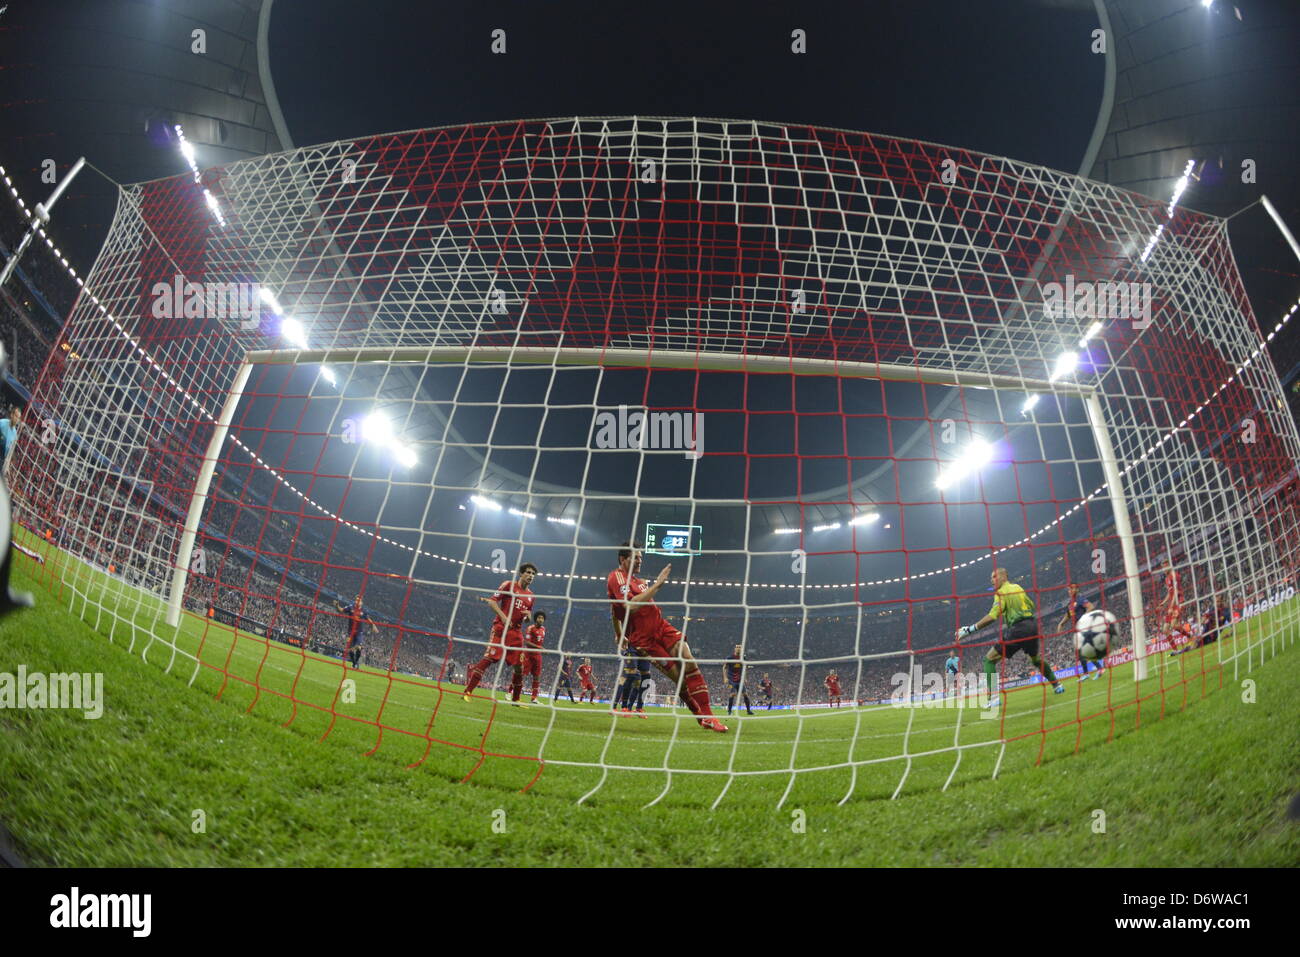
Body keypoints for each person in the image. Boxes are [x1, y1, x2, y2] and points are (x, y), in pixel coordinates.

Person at [607, 542, 725, 732]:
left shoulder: (639, 582)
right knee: (680, 679)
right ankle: (700, 716)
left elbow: (614, 610)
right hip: (644, 641)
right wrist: (657, 585)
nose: (639, 561)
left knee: (689, 660)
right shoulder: (616, 577)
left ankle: (710, 717)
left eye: (641, 558)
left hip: (662, 627)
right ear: (623, 559)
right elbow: (628, 606)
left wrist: (619, 633)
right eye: (636, 557)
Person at [956, 567, 1065, 709]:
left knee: (989, 659)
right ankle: (1057, 685)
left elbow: (993, 616)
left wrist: (969, 630)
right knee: (1036, 660)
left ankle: (993, 698)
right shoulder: (1018, 587)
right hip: (1032, 626)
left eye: (994, 576)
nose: (992, 580)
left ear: (1003, 577)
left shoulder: (1001, 592)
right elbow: (1031, 605)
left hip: (1018, 628)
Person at [463, 563, 536, 703]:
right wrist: (503, 617)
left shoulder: (531, 596)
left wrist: (528, 617)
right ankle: (468, 691)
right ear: (521, 574)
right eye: (528, 572)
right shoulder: (509, 585)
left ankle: (516, 699)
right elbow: (492, 601)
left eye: (533, 574)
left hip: (516, 633)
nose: (531, 575)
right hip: (501, 629)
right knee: (488, 659)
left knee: (519, 667)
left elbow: (527, 616)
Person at [1057, 584, 1102, 682]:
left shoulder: (1080, 599)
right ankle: (1092, 671)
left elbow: (1091, 606)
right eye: (1069, 589)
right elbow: (1068, 615)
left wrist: (1083, 618)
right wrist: (1061, 623)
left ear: (1077, 589)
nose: (1070, 591)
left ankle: (1096, 670)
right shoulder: (1070, 603)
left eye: (1072, 588)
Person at [333, 594, 377, 668]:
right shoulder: (351, 607)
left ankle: (356, 662)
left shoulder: (364, 611)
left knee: (358, 648)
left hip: (359, 632)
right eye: (356, 600)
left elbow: (368, 619)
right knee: (350, 649)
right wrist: (337, 605)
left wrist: (373, 625)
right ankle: (354, 663)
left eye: (358, 600)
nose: (357, 601)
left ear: (361, 602)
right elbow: (341, 610)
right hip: (351, 632)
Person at [521, 610, 546, 703]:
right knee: (521, 674)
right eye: (539, 617)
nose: (541, 619)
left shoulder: (543, 629)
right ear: (536, 619)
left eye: (542, 618)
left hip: (537, 656)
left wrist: (539, 649)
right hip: (528, 654)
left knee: (537, 676)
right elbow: (526, 642)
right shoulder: (530, 628)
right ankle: (510, 692)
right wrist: (539, 647)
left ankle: (534, 697)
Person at [724, 644, 753, 716]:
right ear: (734, 649)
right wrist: (725, 677)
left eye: (740, 647)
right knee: (733, 694)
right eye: (737, 647)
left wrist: (745, 677)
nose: (738, 648)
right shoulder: (729, 658)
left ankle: (748, 711)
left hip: (740, 680)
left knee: (745, 694)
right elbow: (724, 667)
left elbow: (744, 668)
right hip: (731, 680)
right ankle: (729, 711)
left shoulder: (743, 658)